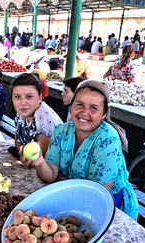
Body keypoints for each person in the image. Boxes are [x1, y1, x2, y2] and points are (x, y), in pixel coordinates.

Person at [21, 80, 138, 220]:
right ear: (71, 105)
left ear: (103, 114)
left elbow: (96, 194)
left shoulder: (108, 139)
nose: (84, 112)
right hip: (72, 201)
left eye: (94, 108)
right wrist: (40, 162)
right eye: (79, 104)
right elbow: (49, 176)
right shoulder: (61, 131)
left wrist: (59, 178)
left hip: (111, 208)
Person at [11, 72, 62, 161]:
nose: (23, 102)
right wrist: (23, 150)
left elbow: (41, 157)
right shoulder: (23, 112)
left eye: (29, 96)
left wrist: (23, 150)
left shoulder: (43, 118)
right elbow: (17, 142)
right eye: (17, 97)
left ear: (40, 97)